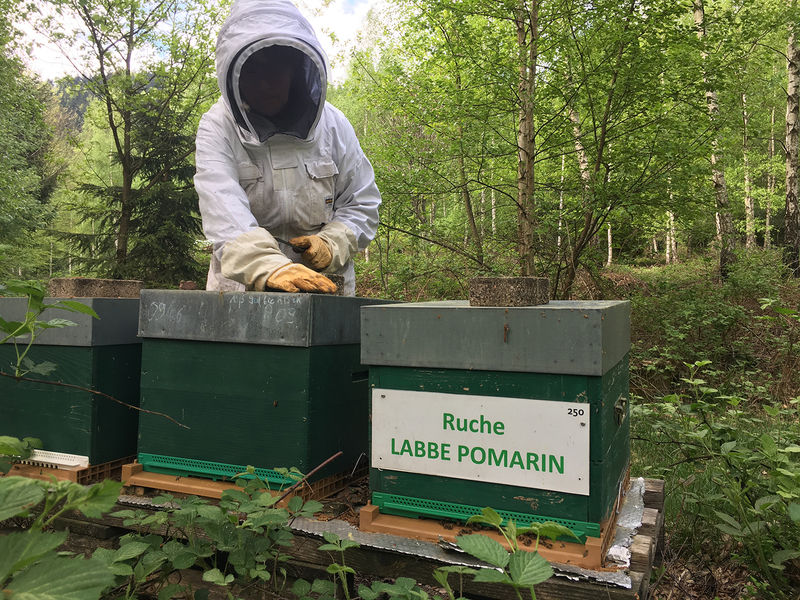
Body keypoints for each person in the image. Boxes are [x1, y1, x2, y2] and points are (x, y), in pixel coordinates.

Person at [195, 0, 381, 296]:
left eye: (277, 71)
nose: (267, 85)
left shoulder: (333, 125)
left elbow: (362, 202)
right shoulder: (218, 126)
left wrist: (333, 243)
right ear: (236, 76)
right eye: (254, 72)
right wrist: (270, 266)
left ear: (297, 71)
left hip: (325, 290)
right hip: (242, 294)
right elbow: (222, 208)